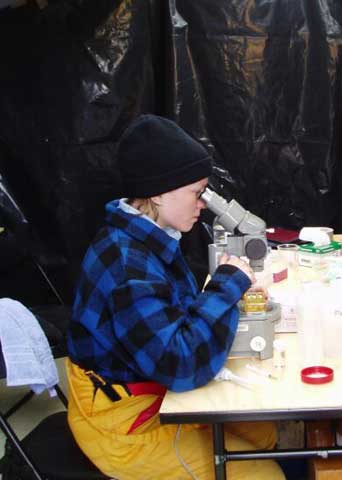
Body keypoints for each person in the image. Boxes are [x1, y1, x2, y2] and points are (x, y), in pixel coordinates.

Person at [66, 115, 284, 480]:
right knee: (261, 475)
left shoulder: (148, 234)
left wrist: (232, 294)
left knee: (263, 432)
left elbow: (176, 315)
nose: (203, 204)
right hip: (123, 422)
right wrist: (225, 286)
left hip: (151, 385)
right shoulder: (128, 267)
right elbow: (180, 364)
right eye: (197, 193)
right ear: (157, 192)